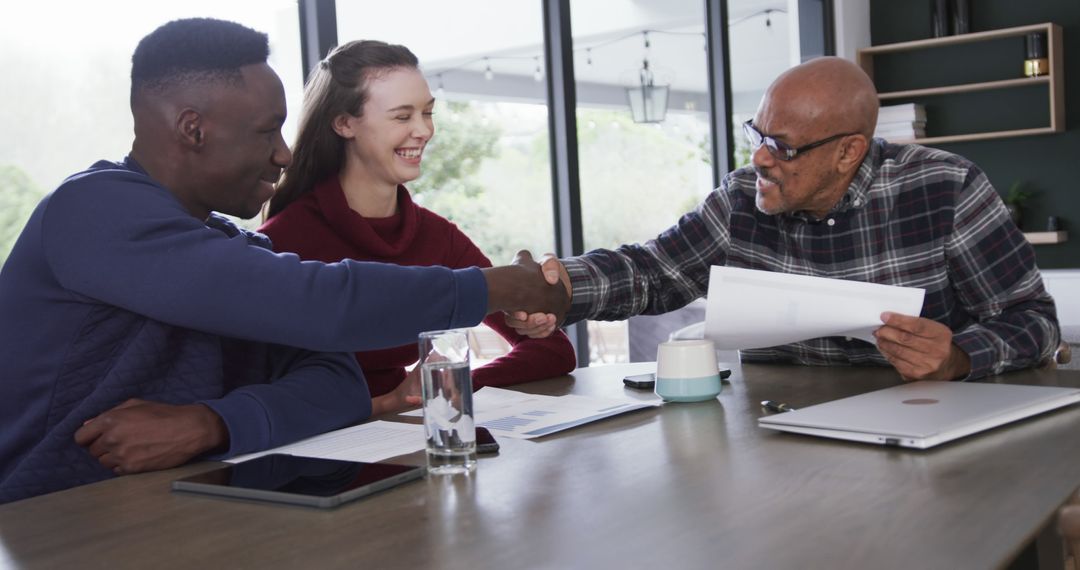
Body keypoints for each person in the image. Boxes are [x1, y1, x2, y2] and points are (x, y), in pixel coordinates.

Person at [0, 18, 566, 504]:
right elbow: (322, 304)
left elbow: (337, 381)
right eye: (266, 131)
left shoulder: (232, 243)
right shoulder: (92, 210)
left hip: (177, 515)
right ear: (193, 129)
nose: (284, 152)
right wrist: (496, 287)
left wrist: (212, 424)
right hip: (43, 521)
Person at [509, 56, 1059, 382]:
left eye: (782, 146)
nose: (759, 158)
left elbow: (1033, 321)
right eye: (757, 134)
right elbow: (653, 272)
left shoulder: (945, 188)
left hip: (928, 418)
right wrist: (561, 287)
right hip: (780, 423)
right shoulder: (742, 198)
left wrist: (957, 357)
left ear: (848, 152)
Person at [258, 40, 576, 414]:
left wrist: (444, 386)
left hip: (410, 434)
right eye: (402, 116)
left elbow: (552, 349)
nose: (424, 130)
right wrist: (385, 403)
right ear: (344, 123)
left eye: (427, 113)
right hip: (317, 441)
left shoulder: (438, 237)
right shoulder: (281, 243)